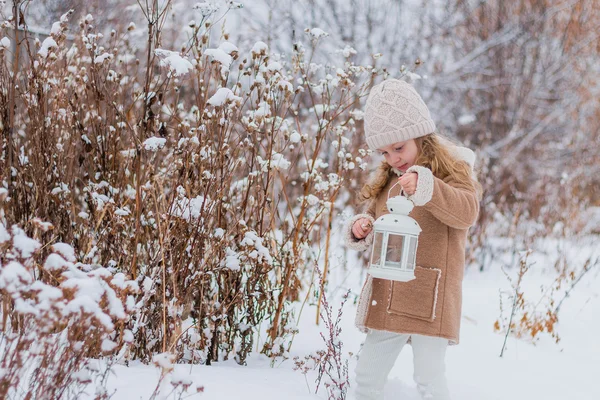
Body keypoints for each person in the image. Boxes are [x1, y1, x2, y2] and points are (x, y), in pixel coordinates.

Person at [343, 79, 482, 400]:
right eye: (384, 151)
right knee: (367, 374)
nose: (393, 158)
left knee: (429, 377)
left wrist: (427, 186)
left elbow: (467, 213)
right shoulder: (389, 180)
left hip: (431, 294)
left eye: (399, 147)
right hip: (390, 292)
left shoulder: (453, 172)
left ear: (421, 136)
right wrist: (361, 227)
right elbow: (379, 220)